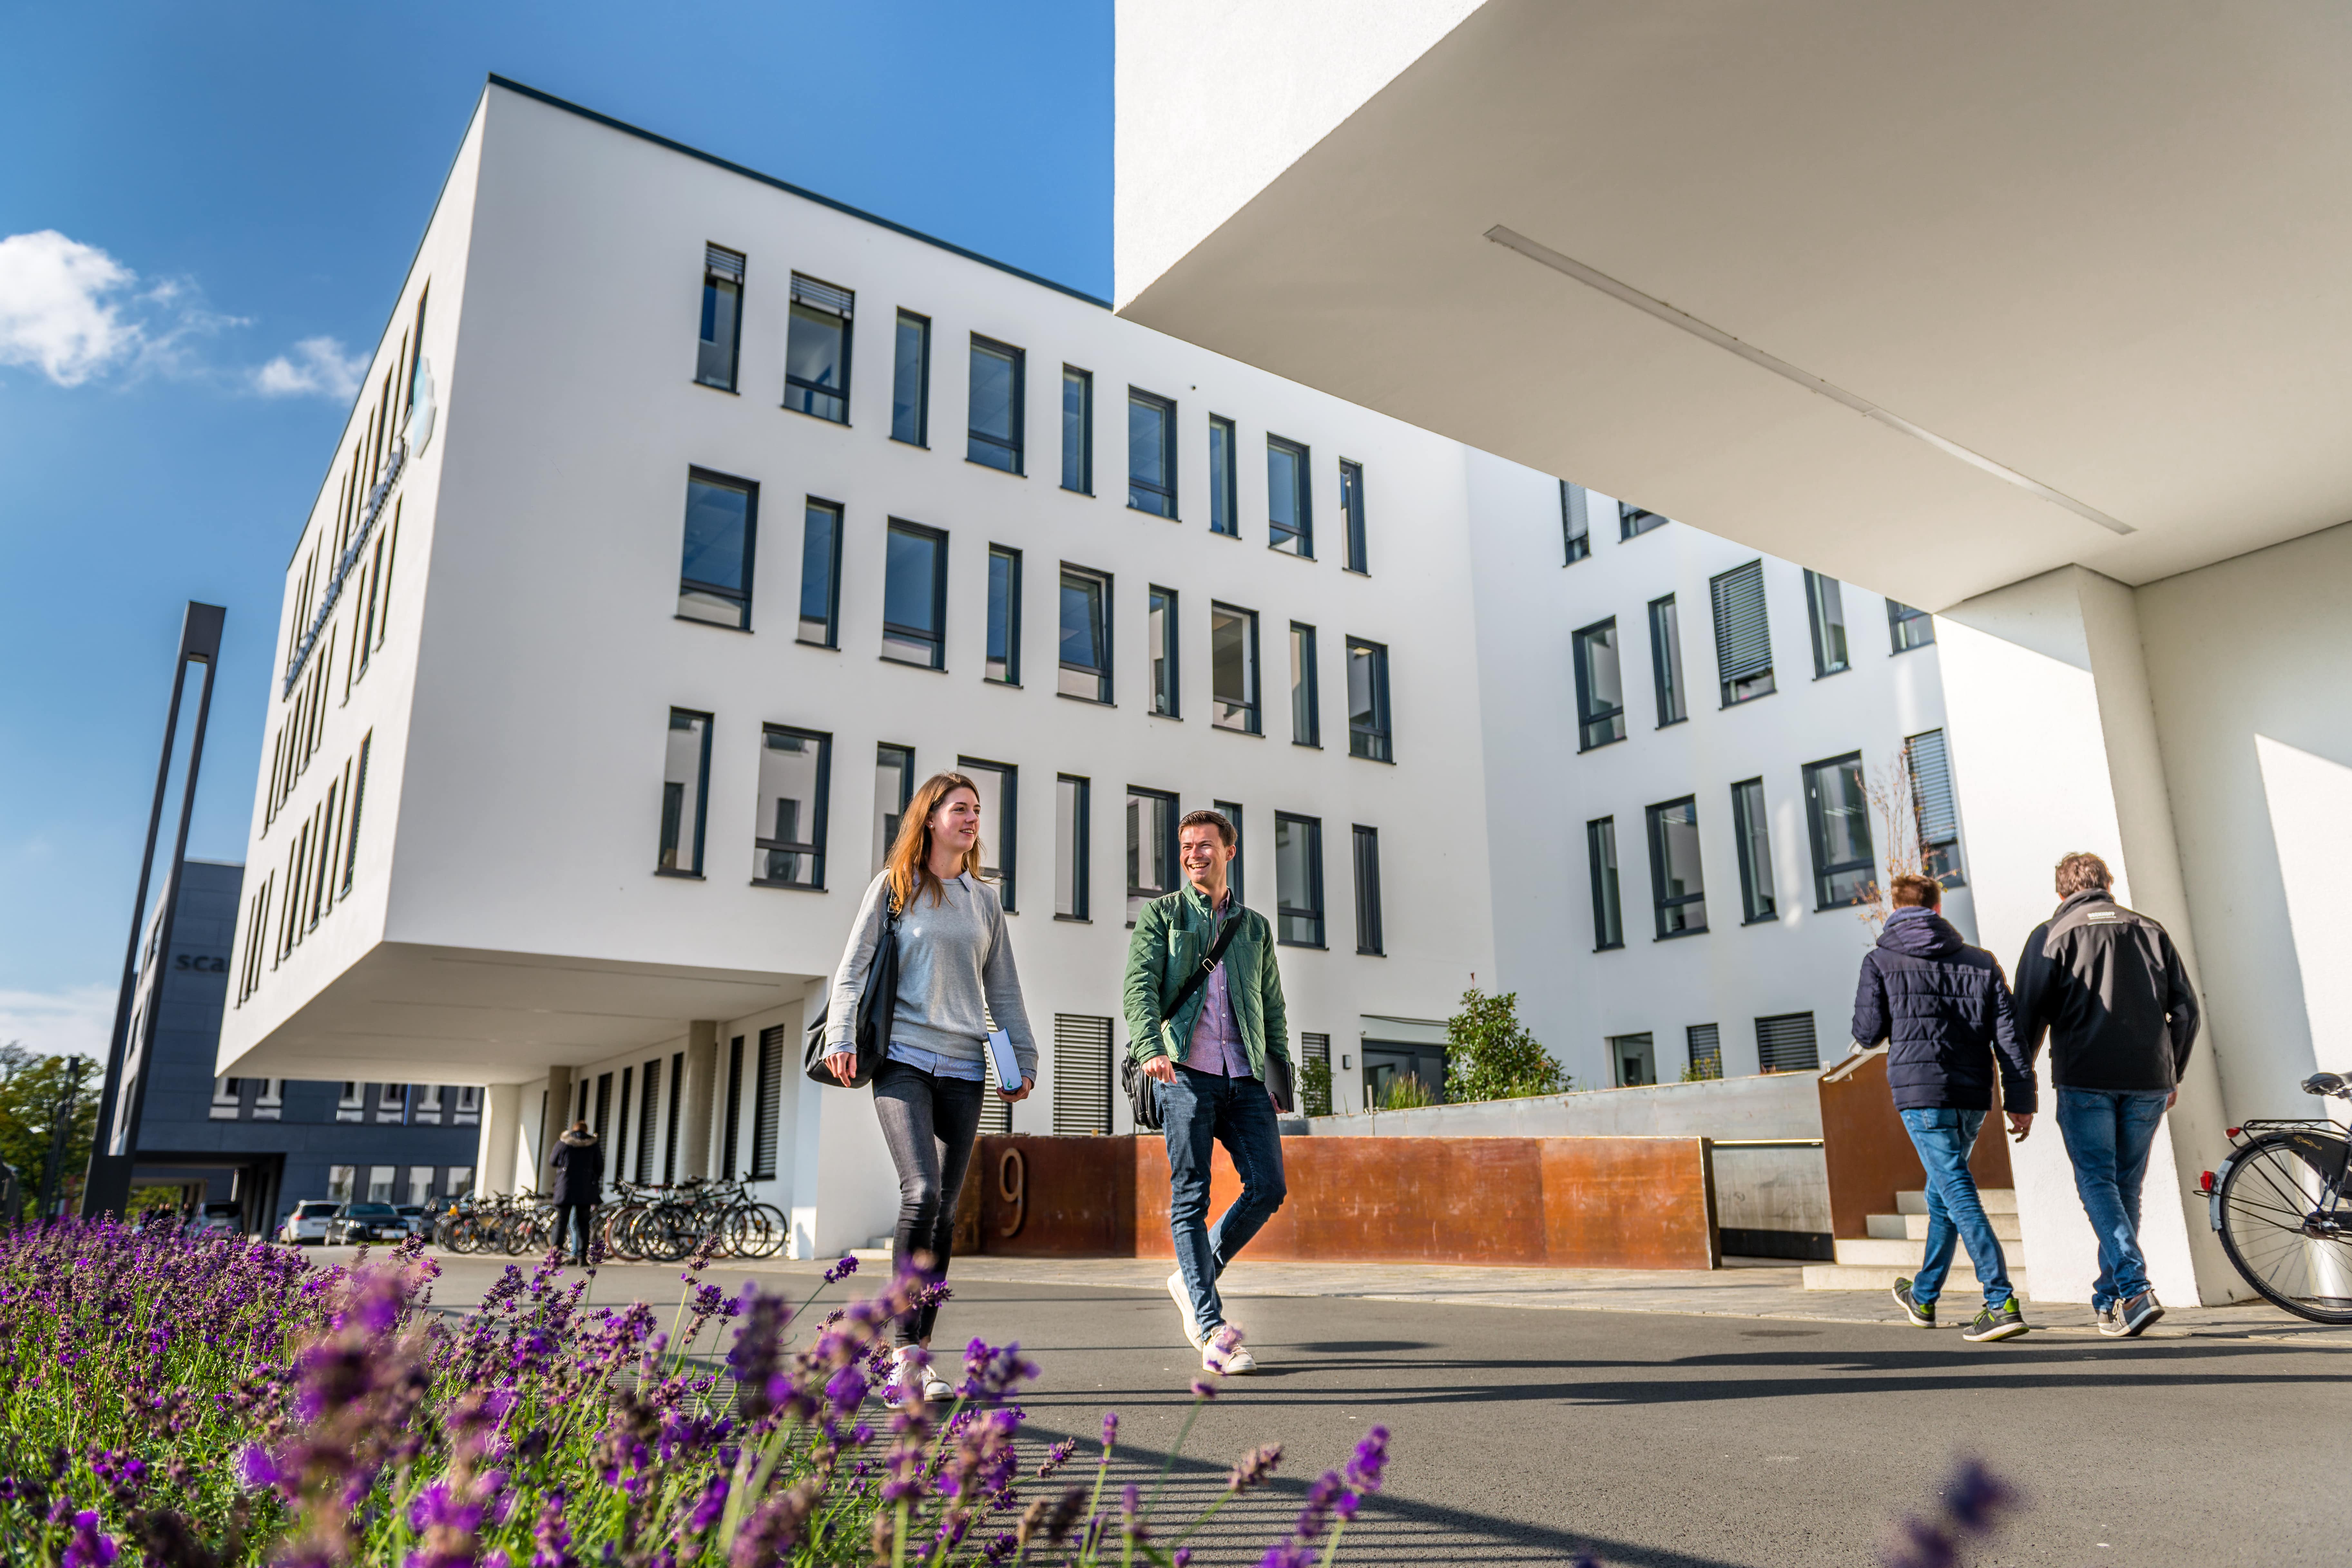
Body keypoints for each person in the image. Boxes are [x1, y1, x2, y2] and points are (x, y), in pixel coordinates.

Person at [826, 771, 1035, 1403]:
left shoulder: (984, 900)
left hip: (965, 1067)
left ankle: (915, 1353)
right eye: (960, 809)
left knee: (944, 1209)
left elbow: (1002, 988)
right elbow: (851, 970)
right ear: (931, 818)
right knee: (919, 1190)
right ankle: (899, 1354)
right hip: (903, 1058)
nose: (972, 819)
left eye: (976, 810)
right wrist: (840, 1035)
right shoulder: (894, 889)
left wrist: (1020, 1056)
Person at [1123, 808, 1291, 1373]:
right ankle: (1213, 1329)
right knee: (1190, 1195)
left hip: (1245, 1076)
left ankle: (1192, 1276)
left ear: (1230, 851)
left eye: (1206, 845)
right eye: (1187, 846)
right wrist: (1150, 1045)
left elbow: (1272, 1005)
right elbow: (1140, 987)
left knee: (1268, 1186)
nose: (1196, 854)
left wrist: (1280, 1073)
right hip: (1185, 1074)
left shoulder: (1255, 926)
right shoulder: (1162, 916)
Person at [2014, 851, 2200, 1338]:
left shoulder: (2050, 936)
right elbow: (2186, 1011)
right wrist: (2172, 1072)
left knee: (2098, 1183)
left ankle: (2135, 1288)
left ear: (2062, 891)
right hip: (2149, 1083)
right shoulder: (2151, 930)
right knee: (2125, 1188)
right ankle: (2113, 1298)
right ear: (2108, 884)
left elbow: (2025, 1022)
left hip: (2085, 1079)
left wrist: (2021, 1093)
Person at [1851, 874, 2037, 1342]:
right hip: (1973, 1095)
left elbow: (1867, 1033)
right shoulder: (1981, 961)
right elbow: (2010, 1038)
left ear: (1895, 908)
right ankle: (1925, 1295)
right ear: (1938, 909)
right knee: (1941, 1193)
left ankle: (2001, 1300)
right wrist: (2021, 1101)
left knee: (1955, 1188)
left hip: (1921, 1093)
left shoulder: (1880, 960)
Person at [549, 1119, 603, 1267]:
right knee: (583, 1224)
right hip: (585, 1189)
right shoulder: (593, 1144)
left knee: (562, 1222)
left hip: (565, 1187)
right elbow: (600, 1166)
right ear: (586, 1131)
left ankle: (555, 1257)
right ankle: (582, 1258)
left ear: (573, 1130)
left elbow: (553, 1161)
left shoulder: (563, 1142)